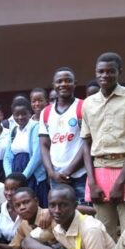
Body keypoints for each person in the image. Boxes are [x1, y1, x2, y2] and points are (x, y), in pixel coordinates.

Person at [82, 52, 125, 238]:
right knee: (104, 230)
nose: (105, 76)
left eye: (110, 71)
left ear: (119, 72)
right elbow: (86, 143)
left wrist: (120, 181)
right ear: (95, 73)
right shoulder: (88, 103)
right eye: (100, 71)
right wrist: (92, 181)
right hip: (99, 169)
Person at [39, 67, 87, 202]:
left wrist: (68, 171)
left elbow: (88, 143)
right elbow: (44, 145)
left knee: (84, 216)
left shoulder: (83, 107)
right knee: (60, 217)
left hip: (80, 175)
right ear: (54, 85)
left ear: (75, 83)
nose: (63, 84)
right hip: (56, 177)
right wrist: (51, 173)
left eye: (68, 81)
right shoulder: (46, 112)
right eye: (59, 81)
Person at [3, 97, 47, 206]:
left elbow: (37, 156)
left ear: (29, 113)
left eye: (23, 114)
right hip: (16, 173)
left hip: (32, 175)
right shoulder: (13, 131)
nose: (20, 117)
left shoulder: (36, 127)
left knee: (33, 206)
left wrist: (23, 177)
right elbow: (7, 157)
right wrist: (11, 178)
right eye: (16, 114)